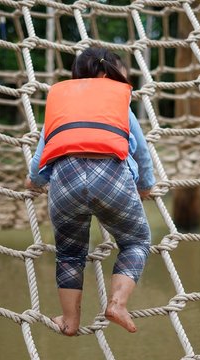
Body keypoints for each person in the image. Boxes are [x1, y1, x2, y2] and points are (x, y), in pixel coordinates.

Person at [25, 48, 155, 336]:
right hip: (112, 177)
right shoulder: (120, 102)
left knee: (70, 254)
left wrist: (33, 181)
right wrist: (145, 185)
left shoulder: (61, 103)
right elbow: (142, 151)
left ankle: (70, 321)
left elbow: (41, 155)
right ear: (109, 75)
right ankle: (117, 304)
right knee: (136, 242)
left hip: (64, 183)